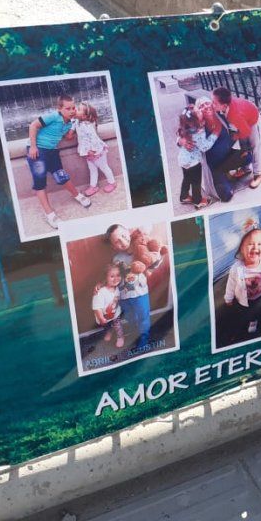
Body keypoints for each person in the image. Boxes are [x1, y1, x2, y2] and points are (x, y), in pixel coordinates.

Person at [26, 94, 92, 230]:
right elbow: (33, 125)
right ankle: (49, 214)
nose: (72, 110)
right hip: (38, 151)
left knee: (61, 176)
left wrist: (76, 124)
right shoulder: (53, 116)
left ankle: (77, 196)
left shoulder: (70, 121)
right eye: (68, 108)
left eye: (74, 108)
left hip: (52, 151)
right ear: (60, 109)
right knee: (40, 182)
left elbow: (68, 137)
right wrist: (33, 147)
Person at [224, 221, 261, 335]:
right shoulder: (236, 268)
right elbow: (231, 283)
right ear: (241, 248)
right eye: (250, 244)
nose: (255, 247)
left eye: (259, 244)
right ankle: (253, 321)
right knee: (249, 312)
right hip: (246, 299)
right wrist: (228, 298)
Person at [104, 224, 152, 353]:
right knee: (130, 317)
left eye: (124, 236)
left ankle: (144, 338)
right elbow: (114, 277)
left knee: (143, 316)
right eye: (117, 242)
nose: (123, 242)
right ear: (113, 246)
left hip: (140, 293)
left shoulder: (140, 250)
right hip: (124, 296)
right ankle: (135, 333)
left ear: (128, 232)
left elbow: (151, 259)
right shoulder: (116, 259)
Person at [211, 86, 261, 189]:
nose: (212, 105)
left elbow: (246, 131)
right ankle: (246, 168)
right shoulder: (226, 108)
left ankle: (258, 174)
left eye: (214, 103)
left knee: (254, 146)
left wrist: (238, 137)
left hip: (252, 119)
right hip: (243, 118)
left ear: (224, 105)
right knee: (243, 143)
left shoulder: (234, 115)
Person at [175, 106, 215, 209]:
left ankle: (183, 196)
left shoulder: (185, 127)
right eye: (198, 112)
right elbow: (205, 146)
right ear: (195, 121)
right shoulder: (198, 133)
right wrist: (215, 134)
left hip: (183, 160)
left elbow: (179, 138)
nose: (201, 111)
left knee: (187, 178)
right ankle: (198, 201)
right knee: (196, 182)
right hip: (193, 162)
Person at [74, 101, 116, 197]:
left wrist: (92, 151)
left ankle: (112, 182)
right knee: (92, 169)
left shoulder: (87, 126)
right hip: (88, 153)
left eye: (79, 109)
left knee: (104, 167)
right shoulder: (77, 121)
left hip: (96, 152)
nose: (76, 109)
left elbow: (93, 138)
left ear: (84, 116)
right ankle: (93, 186)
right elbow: (72, 125)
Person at [92, 263, 124, 351]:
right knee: (107, 326)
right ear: (105, 278)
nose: (116, 278)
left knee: (117, 325)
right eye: (112, 276)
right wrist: (101, 318)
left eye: (118, 275)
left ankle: (120, 337)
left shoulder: (117, 287)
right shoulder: (100, 292)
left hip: (115, 314)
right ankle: (109, 332)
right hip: (104, 317)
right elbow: (96, 307)